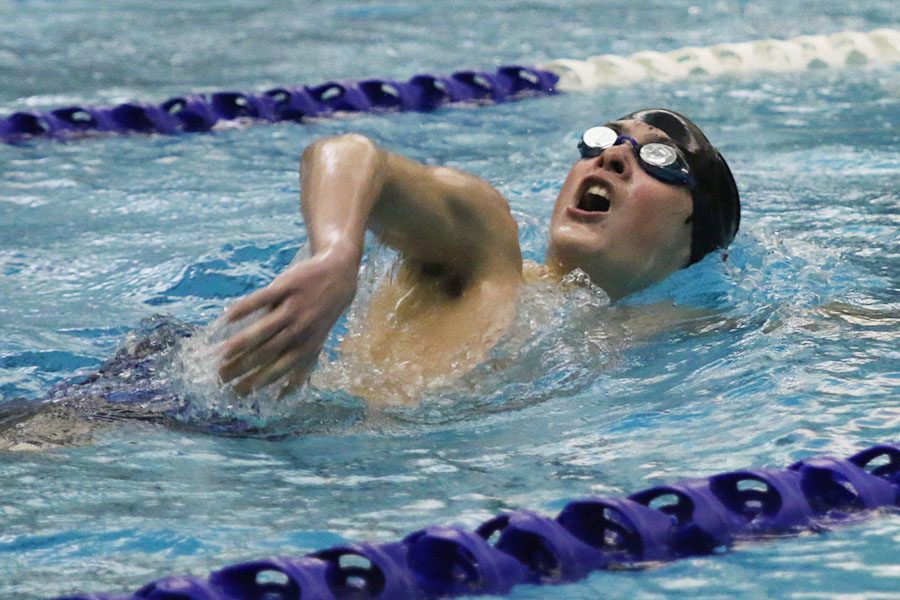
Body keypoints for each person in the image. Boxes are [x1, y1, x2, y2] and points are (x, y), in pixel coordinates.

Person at [216, 108, 740, 404]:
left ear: (694, 234)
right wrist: (335, 253)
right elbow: (347, 153)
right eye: (607, 139)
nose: (612, 155)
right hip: (195, 424)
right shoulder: (483, 254)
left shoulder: (680, 328)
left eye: (659, 158)